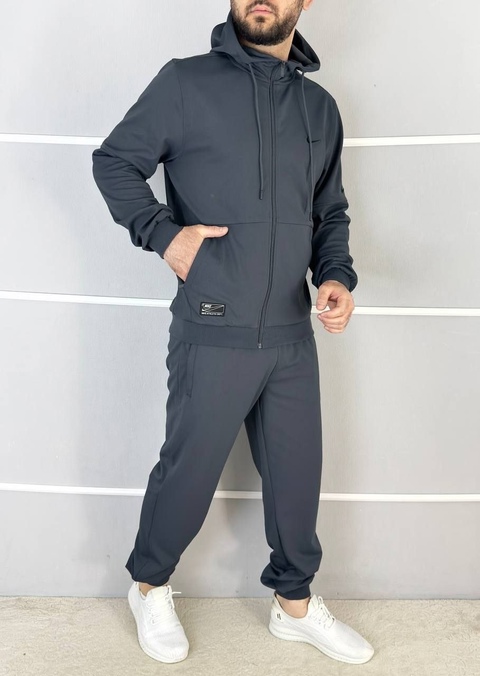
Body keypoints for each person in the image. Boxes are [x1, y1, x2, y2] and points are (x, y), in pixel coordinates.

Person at [92, 0, 374, 666]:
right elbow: (115, 162)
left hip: (291, 332)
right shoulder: (184, 83)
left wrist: (335, 275)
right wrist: (164, 235)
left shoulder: (319, 109)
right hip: (212, 323)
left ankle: (293, 604)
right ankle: (149, 586)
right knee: (189, 471)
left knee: (298, 476)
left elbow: (328, 211)